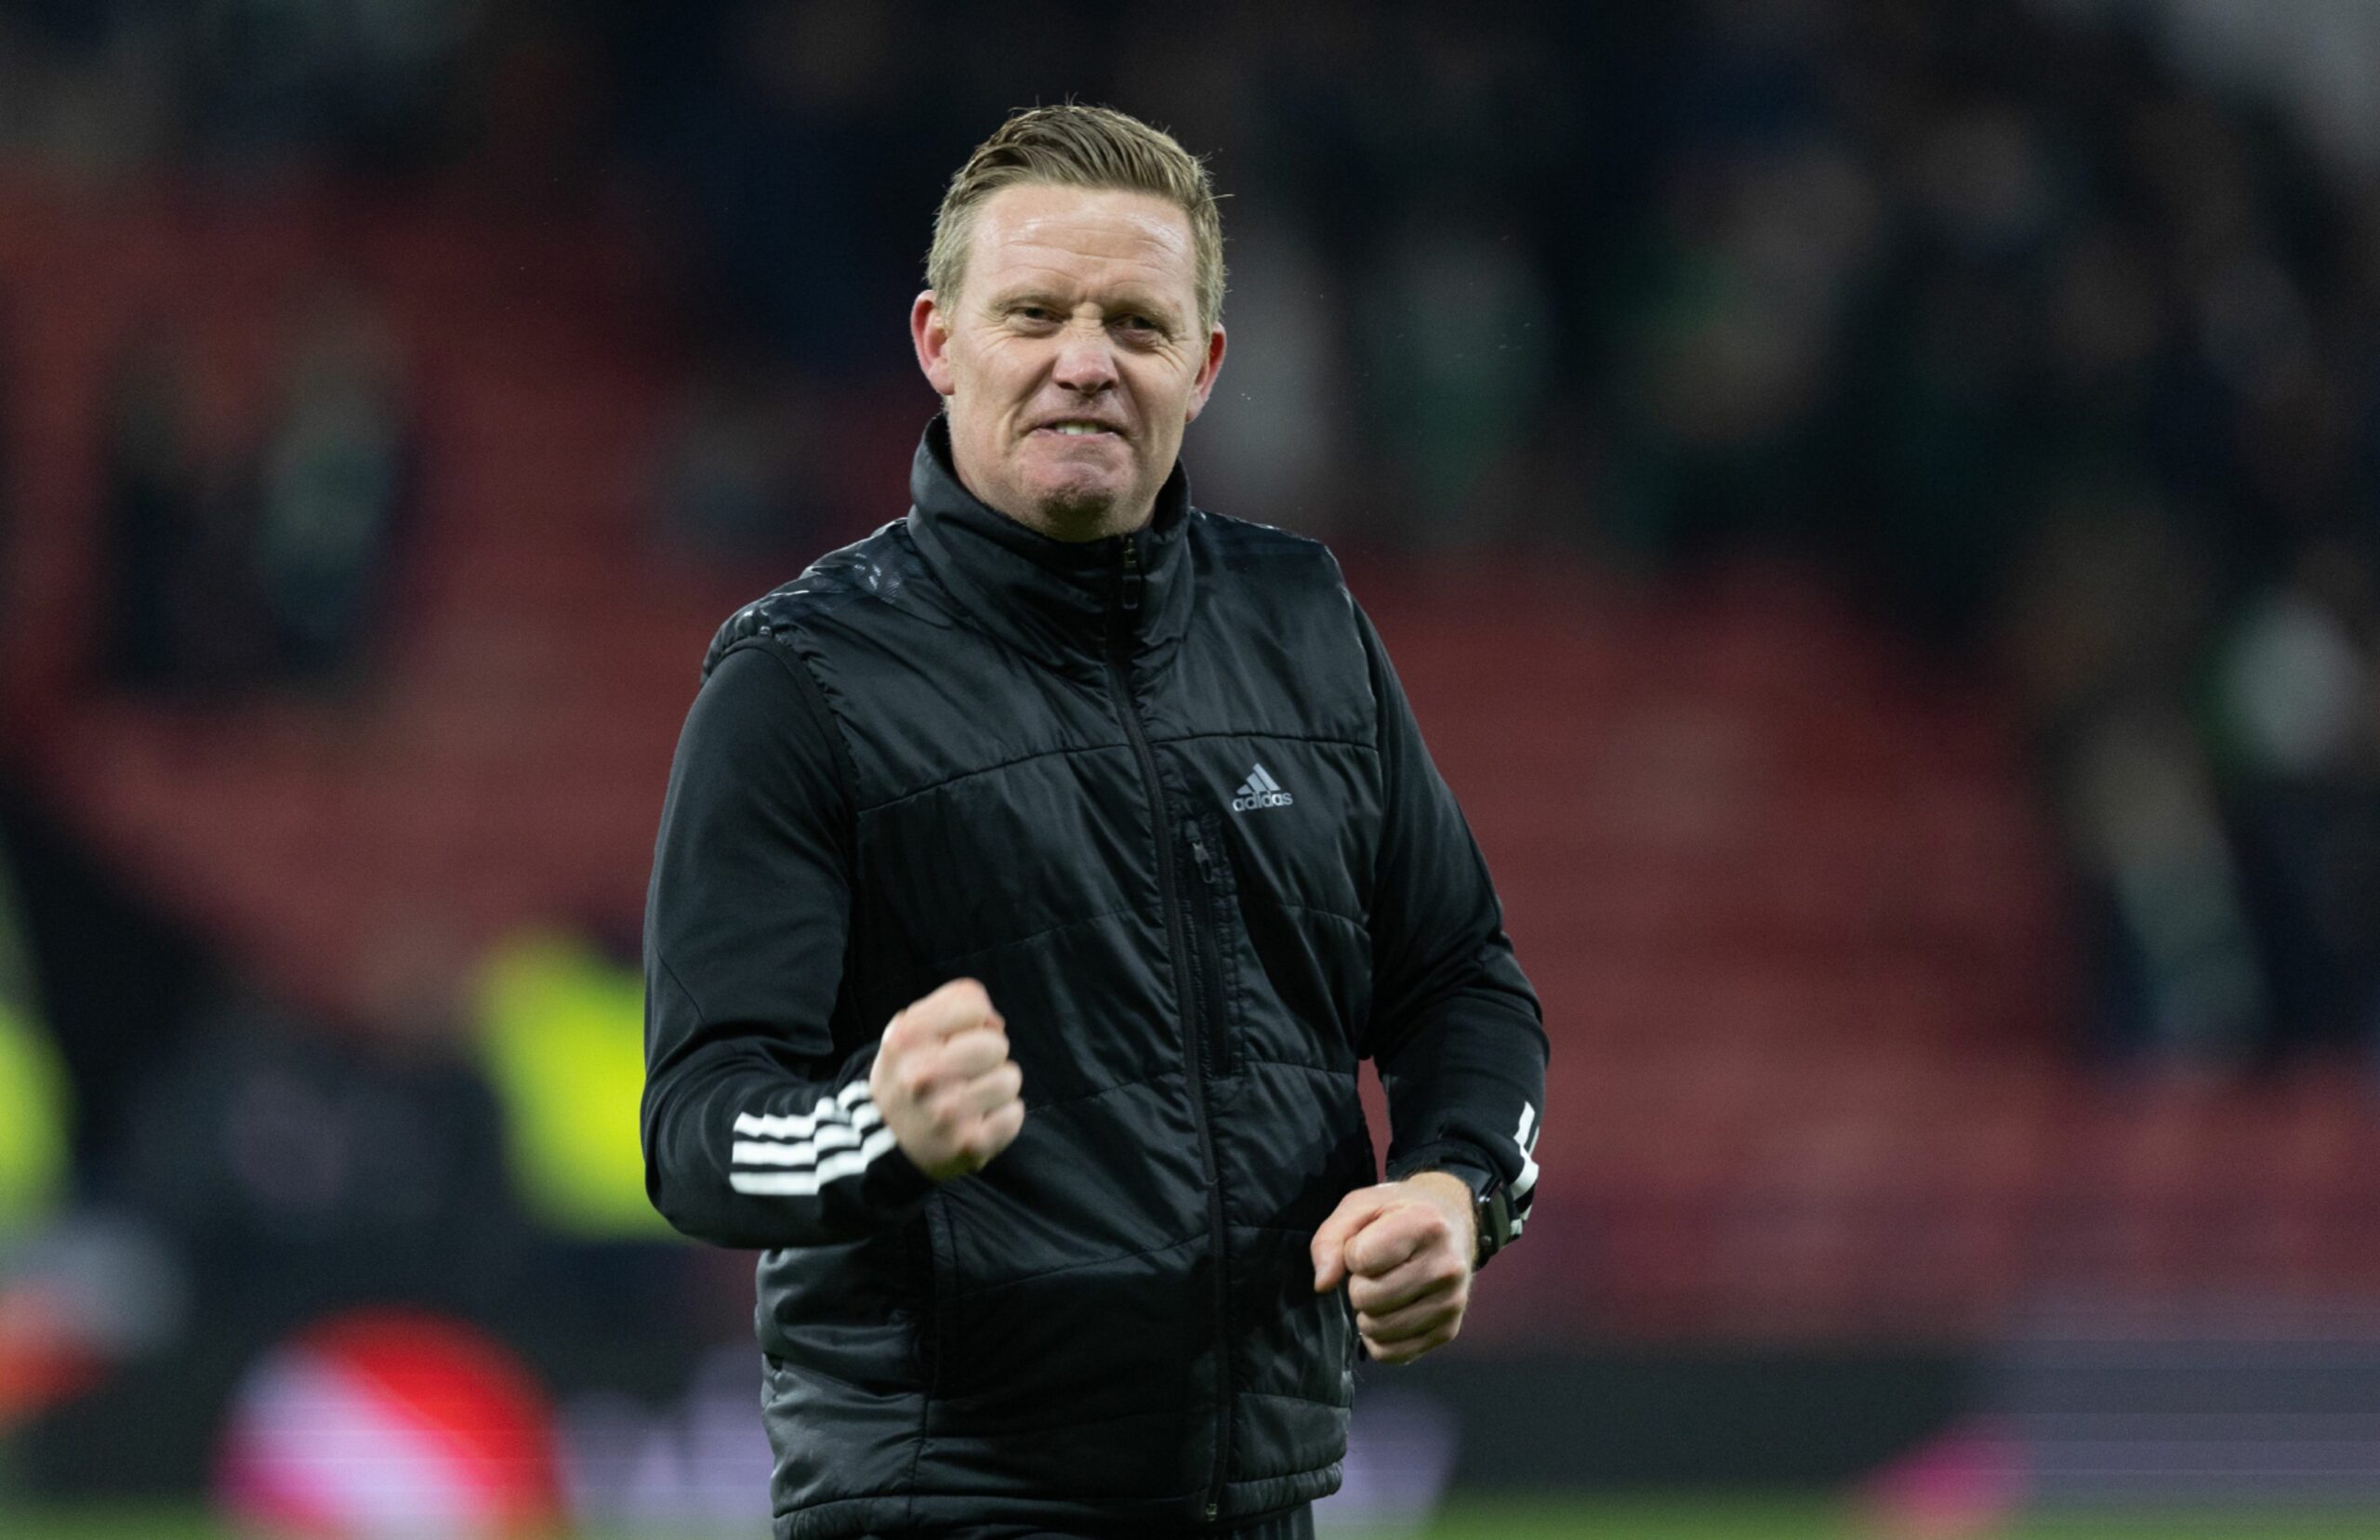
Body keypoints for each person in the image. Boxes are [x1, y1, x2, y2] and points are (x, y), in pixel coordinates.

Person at [641, 104, 1547, 1540]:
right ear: (940, 342)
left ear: (1206, 363)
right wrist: (871, 1127)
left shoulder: (1304, 625)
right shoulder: (798, 681)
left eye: (1135, 320)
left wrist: (1455, 1186)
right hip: (948, 1505)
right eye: (1036, 313)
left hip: (1259, 1498)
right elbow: (694, 1129)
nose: (1085, 359)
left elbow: (1463, 983)